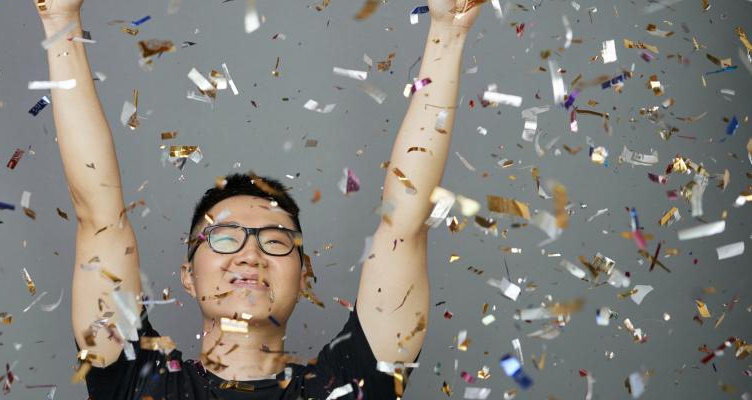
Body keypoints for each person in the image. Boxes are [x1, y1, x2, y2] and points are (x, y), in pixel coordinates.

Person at [33, 0, 481, 397]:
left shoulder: (349, 384)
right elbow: (99, 216)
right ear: (188, 275)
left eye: (275, 240)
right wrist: (60, 17)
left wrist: (449, 30)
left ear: (305, 274)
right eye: (224, 237)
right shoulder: (138, 382)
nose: (250, 255)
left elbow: (405, 223)